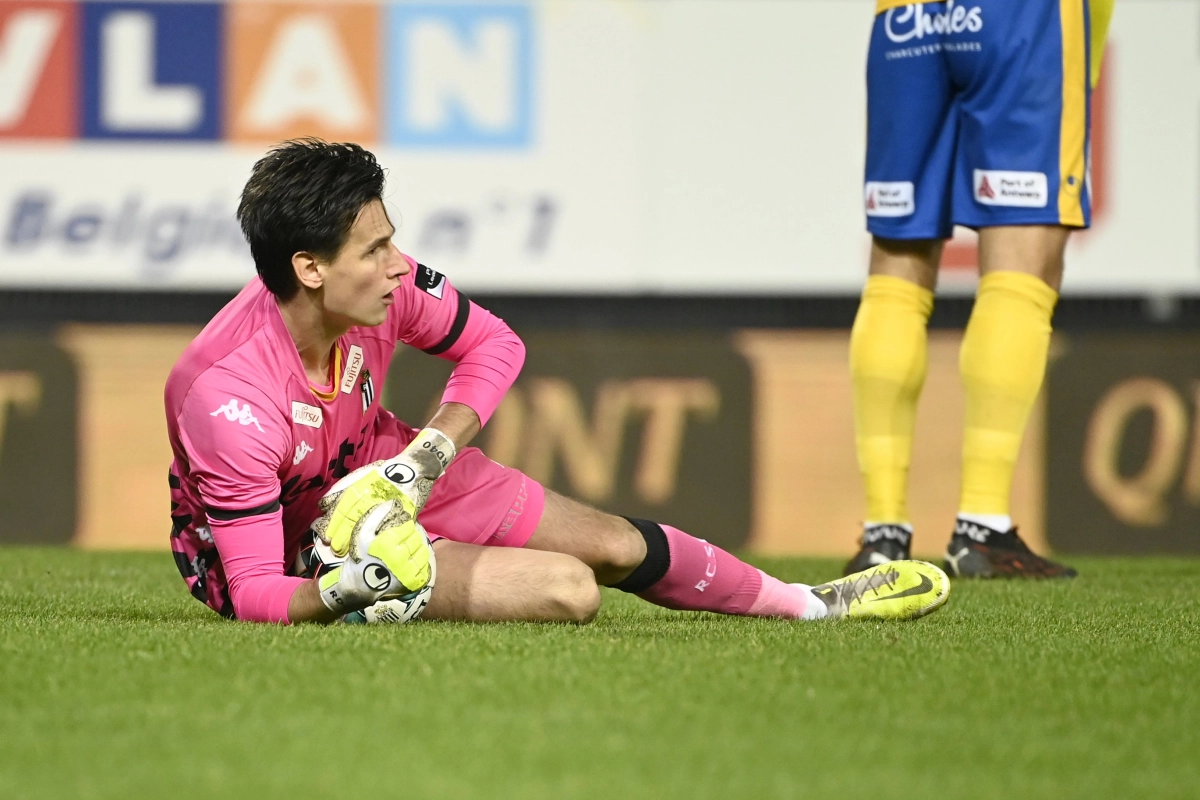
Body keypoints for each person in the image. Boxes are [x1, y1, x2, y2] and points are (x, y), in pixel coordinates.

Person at [166, 138, 949, 626]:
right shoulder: (227, 397)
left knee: (609, 543)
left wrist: (423, 461)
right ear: (308, 268)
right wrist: (355, 584)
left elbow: (495, 347)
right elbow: (253, 593)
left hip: (386, 471)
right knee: (568, 591)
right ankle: (380, 602)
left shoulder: (384, 290)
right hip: (300, 548)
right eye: (373, 250)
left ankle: (814, 606)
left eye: (391, 242)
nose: (398, 265)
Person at [845, 0, 1114, 577]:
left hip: (906, 19)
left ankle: (881, 535)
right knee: (1021, 271)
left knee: (896, 270)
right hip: (1022, 18)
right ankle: (982, 528)